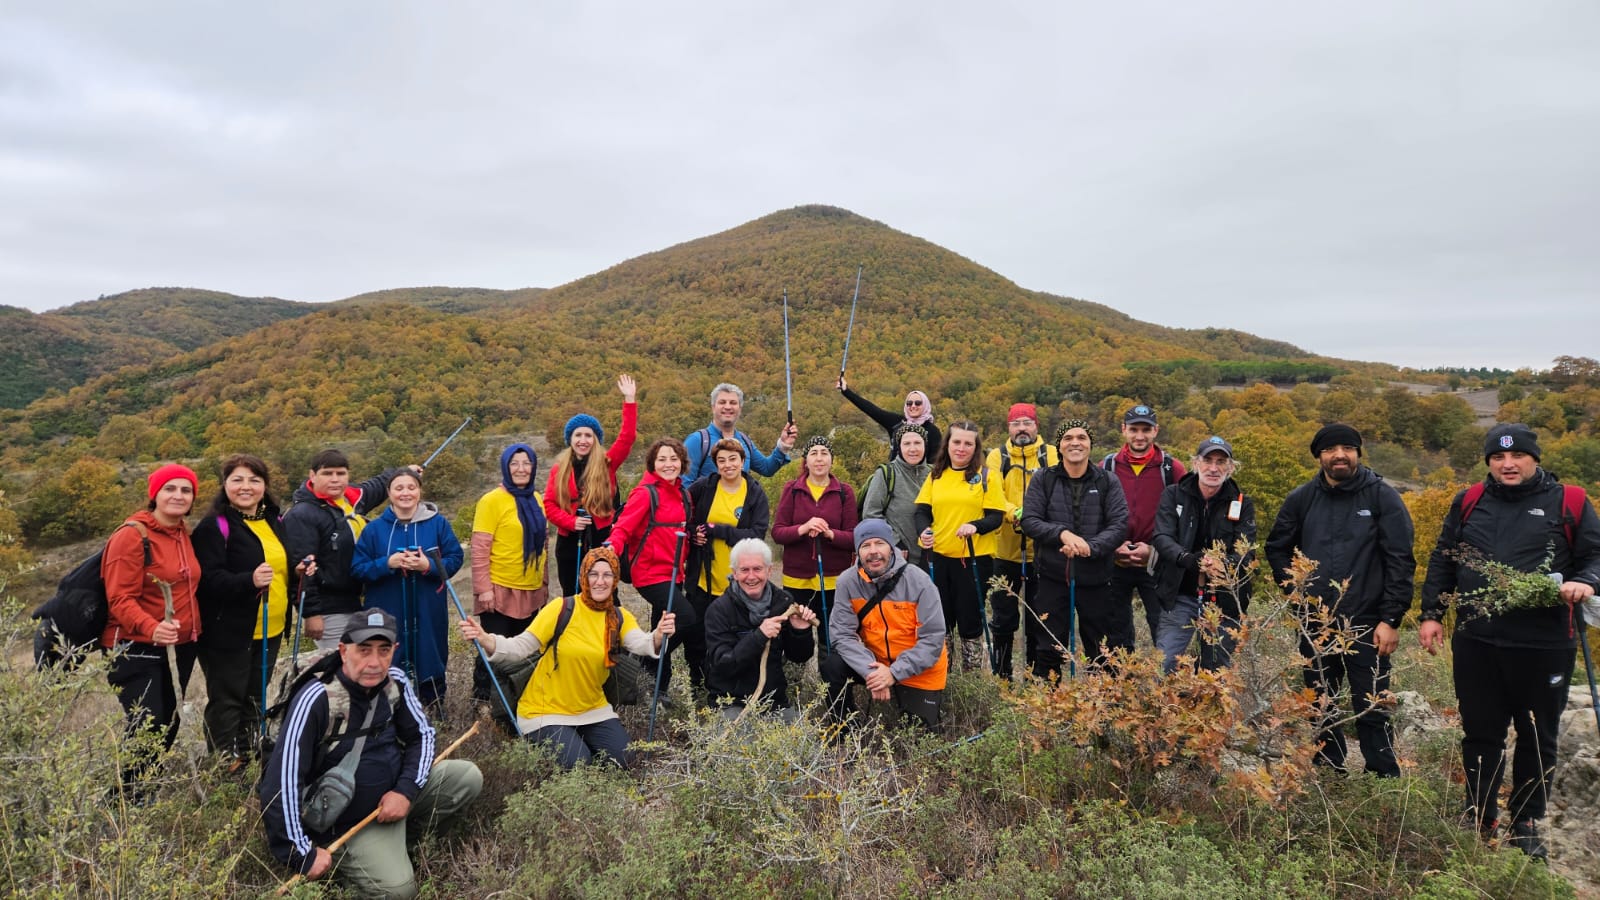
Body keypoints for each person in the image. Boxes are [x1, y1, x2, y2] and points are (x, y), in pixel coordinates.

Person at [1419, 424, 1600, 859]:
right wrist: (1431, 614)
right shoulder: (1469, 502)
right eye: (1498, 458)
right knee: (1481, 732)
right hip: (1477, 640)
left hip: (1545, 642)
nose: (1508, 464)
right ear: (1489, 462)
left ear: (1535, 459)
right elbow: (1445, 556)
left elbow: (1595, 554)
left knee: (1538, 735)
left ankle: (1526, 820)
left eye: (1518, 456)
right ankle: (1480, 815)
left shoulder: (1569, 501)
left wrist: (1585, 581)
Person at [261, 609, 483, 897]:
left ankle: (400, 844)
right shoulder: (316, 699)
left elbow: (423, 736)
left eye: (383, 650)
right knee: (399, 891)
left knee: (467, 777)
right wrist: (301, 854)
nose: (374, 662)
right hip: (346, 822)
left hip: (392, 799)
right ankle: (359, 859)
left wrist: (404, 791)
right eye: (363, 650)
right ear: (343, 651)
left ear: (395, 650)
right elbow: (281, 782)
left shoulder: (396, 682)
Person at [1265, 423, 1414, 779]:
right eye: (1330, 449)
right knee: (1320, 701)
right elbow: (1277, 548)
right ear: (1319, 456)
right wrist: (1296, 593)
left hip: (1368, 622)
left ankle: (1382, 780)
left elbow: (1400, 559)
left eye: (1347, 448)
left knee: (1372, 704)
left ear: (1358, 453)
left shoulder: (1381, 496)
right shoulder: (1302, 498)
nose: (1339, 455)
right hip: (1316, 622)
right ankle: (1330, 772)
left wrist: (1391, 618)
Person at [459, 547, 675, 767]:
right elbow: (520, 647)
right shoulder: (562, 608)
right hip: (545, 711)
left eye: (607, 575)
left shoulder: (619, 616)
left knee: (625, 759)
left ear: (615, 579)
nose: (600, 581)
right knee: (579, 763)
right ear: (584, 576)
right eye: (594, 574)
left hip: (592, 708)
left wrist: (658, 635)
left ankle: (578, 739)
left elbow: (641, 643)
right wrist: (485, 639)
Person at [192, 454, 314, 766]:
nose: (246, 487)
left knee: (255, 696)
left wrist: (297, 569)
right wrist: (248, 580)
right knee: (227, 698)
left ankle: (248, 754)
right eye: (238, 480)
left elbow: (278, 566)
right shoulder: (214, 526)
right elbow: (206, 580)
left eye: (254, 480)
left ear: (264, 486)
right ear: (225, 485)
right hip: (229, 630)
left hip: (271, 627)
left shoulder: (273, 521)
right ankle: (224, 762)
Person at [102, 463, 202, 792]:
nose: (178, 495)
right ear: (154, 494)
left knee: (169, 723)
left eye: (185, 490)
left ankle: (144, 790)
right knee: (149, 724)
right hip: (135, 646)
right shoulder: (132, 535)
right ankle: (123, 799)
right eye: (170, 489)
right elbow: (119, 598)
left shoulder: (182, 533)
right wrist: (152, 627)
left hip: (181, 646)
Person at [1020, 420, 1130, 676]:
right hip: (1052, 577)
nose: (1075, 442)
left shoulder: (1107, 481)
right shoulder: (1043, 479)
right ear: (1059, 445)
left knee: (1101, 648)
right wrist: (1062, 534)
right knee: (1048, 646)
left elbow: (1119, 523)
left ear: (1091, 444)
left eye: (1082, 437)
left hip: (1097, 580)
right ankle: (1050, 708)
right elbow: (1030, 520)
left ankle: (1100, 707)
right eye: (1068, 438)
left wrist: (1089, 548)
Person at [352, 469, 464, 710]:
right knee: (389, 658)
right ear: (389, 493)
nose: (405, 493)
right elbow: (358, 569)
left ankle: (433, 711)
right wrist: (387, 563)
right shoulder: (374, 529)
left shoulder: (437, 524)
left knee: (430, 655)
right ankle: (388, 712)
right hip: (387, 607)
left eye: (411, 487)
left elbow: (455, 558)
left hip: (427, 607)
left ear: (419, 491)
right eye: (399, 488)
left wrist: (428, 565)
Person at [284, 450, 419, 648]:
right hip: (330, 609)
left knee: (363, 665)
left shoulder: (351, 499)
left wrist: (403, 472)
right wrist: (311, 613)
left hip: (360, 600)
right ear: (312, 476)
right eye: (327, 473)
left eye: (341, 473)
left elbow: (377, 485)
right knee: (339, 666)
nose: (335, 479)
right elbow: (301, 568)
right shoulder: (302, 515)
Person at [822, 519, 948, 728]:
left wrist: (893, 673)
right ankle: (845, 731)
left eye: (879, 543)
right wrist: (871, 672)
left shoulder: (919, 581)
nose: (873, 551)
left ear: (891, 547)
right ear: (857, 552)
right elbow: (842, 635)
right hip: (875, 663)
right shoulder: (847, 582)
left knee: (920, 736)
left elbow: (932, 641)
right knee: (832, 665)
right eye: (865, 546)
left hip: (918, 670)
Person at [1151, 437, 1255, 674]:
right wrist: (1190, 559)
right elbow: (1162, 537)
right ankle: (1166, 710)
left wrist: (1223, 565)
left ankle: (1209, 711)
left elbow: (1245, 550)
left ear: (1230, 467)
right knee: (1164, 664)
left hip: (1225, 600)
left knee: (1217, 671)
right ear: (1196, 463)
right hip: (1179, 594)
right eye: (1207, 460)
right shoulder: (1173, 495)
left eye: (1221, 462)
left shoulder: (1242, 503)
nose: (1213, 468)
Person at [606, 438, 699, 695]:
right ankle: (645, 656)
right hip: (650, 574)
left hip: (675, 572)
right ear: (652, 464)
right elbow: (623, 527)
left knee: (664, 624)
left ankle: (657, 688)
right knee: (686, 620)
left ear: (682, 462)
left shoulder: (683, 494)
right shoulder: (645, 493)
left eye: (673, 459)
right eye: (662, 459)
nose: (668, 464)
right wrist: (612, 545)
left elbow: (682, 529)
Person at [914, 420, 1008, 671]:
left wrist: (975, 526)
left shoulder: (988, 476)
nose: (962, 448)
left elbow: (996, 516)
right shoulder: (936, 474)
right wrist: (923, 531)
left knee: (970, 621)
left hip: (975, 559)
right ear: (948, 444)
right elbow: (922, 510)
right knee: (940, 621)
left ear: (975, 447)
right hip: (938, 557)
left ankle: (972, 680)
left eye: (968, 443)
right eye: (957, 442)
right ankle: (942, 675)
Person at [469, 443, 551, 706]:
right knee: (493, 649)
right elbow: (480, 548)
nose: (521, 468)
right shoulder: (491, 501)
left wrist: (544, 584)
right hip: (500, 589)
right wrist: (484, 590)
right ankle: (483, 701)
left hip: (530, 590)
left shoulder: (536, 499)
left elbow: (543, 547)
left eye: (526, 463)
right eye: (514, 463)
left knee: (524, 651)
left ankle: (516, 701)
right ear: (505, 466)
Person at [544, 374, 639, 595]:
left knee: (605, 592)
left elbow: (627, 437)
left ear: (596, 439)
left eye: (589, 435)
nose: (583, 440)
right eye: (578, 435)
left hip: (602, 537)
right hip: (569, 541)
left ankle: (608, 628)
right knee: (572, 592)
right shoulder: (559, 468)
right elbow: (549, 504)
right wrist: (569, 521)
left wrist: (629, 400)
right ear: (571, 439)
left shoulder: (607, 464)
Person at [702, 539, 817, 720]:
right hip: (731, 702)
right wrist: (759, 636)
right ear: (734, 573)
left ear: (769, 570)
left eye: (757, 569)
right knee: (741, 746)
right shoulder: (719, 610)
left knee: (807, 743)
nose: (751, 577)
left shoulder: (783, 601)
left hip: (774, 703)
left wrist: (800, 631)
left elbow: (800, 657)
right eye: (744, 570)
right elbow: (722, 665)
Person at [985, 403, 1059, 678]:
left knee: (1038, 618)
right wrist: (1012, 512)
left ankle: (1035, 677)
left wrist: (1035, 518)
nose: (1022, 429)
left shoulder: (1051, 454)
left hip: (1043, 551)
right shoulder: (997, 456)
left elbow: (1058, 490)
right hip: (1004, 552)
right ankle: (1003, 676)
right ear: (1009, 427)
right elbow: (993, 493)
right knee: (1004, 619)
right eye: (1016, 424)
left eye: (1027, 422)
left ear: (1036, 426)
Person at [1104, 405, 1187, 649]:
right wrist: (1112, 547)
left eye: (1146, 429)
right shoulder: (1107, 467)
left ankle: (1165, 684)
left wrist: (1154, 551)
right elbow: (1094, 514)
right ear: (1123, 430)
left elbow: (1186, 520)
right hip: (1115, 561)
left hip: (1156, 563)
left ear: (1156, 431)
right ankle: (1120, 684)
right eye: (1134, 429)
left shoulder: (1172, 469)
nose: (1140, 436)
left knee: (1162, 629)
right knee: (1115, 633)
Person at [771, 436, 859, 653]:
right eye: (814, 453)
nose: (819, 459)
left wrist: (829, 533)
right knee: (795, 639)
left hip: (834, 581)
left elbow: (853, 537)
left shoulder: (844, 491)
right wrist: (803, 528)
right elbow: (778, 532)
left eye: (824, 453)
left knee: (830, 641)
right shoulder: (792, 489)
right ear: (806, 460)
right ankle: (794, 682)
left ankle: (832, 685)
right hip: (796, 580)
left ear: (831, 459)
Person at [687, 438, 772, 638]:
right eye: (722, 460)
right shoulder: (704, 487)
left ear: (743, 461)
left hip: (740, 581)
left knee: (734, 635)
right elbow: (682, 517)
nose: (728, 465)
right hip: (703, 578)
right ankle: (698, 670)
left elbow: (756, 535)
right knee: (698, 637)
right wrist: (693, 533)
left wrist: (717, 530)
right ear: (716, 465)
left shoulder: (754, 493)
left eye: (733, 459)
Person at [682, 382, 798, 482]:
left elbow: (766, 468)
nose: (727, 407)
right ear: (713, 407)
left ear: (740, 408)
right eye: (722, 402)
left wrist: (783, 445)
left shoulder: (744, 441)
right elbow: (685, 485)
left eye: (733, 403)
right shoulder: (698, 441)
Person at [861, 423, 933, 567]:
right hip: (899, 558)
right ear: (899, 447)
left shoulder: (935, 473)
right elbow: (870, 514)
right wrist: (894, 542)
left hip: (934, 556)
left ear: (925, 445)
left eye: (917, 443)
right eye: (906, 443)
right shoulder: (886, 474)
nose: (912, 449)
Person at [837, 375, 942, 463]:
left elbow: (935, 463)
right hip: (896, 478)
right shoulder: (897, 423)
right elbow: (871, 409)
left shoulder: (933, 432)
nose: (913, 406)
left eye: (918, 403)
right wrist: (846, 391)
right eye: (909, 403)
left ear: (925, 405)